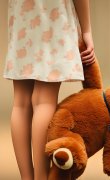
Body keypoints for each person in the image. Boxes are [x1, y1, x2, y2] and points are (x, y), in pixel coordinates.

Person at [3, 0, 95, 179]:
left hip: (22, 15)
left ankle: (26, 177)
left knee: (20, 103)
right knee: (44, 100)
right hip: (54, 17)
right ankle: (41, 177)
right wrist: (86, 30)